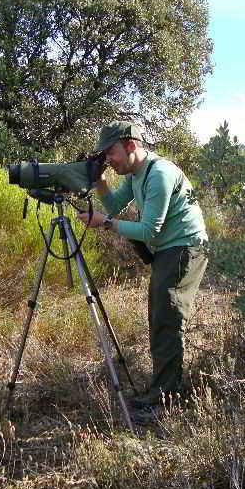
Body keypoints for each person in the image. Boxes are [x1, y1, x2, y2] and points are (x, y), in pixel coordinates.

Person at [77, 121, 208, 409]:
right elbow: (113, 206)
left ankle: (165, 398)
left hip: (185, 248)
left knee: (167, 320)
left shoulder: (158, 173)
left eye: (110, 154)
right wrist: (99, 181)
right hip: (170, 249)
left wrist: (106, 224)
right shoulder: (136, 173)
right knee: (161, 317)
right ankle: (164, 388)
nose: (108, 161)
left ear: (130, 145)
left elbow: (150, 231)